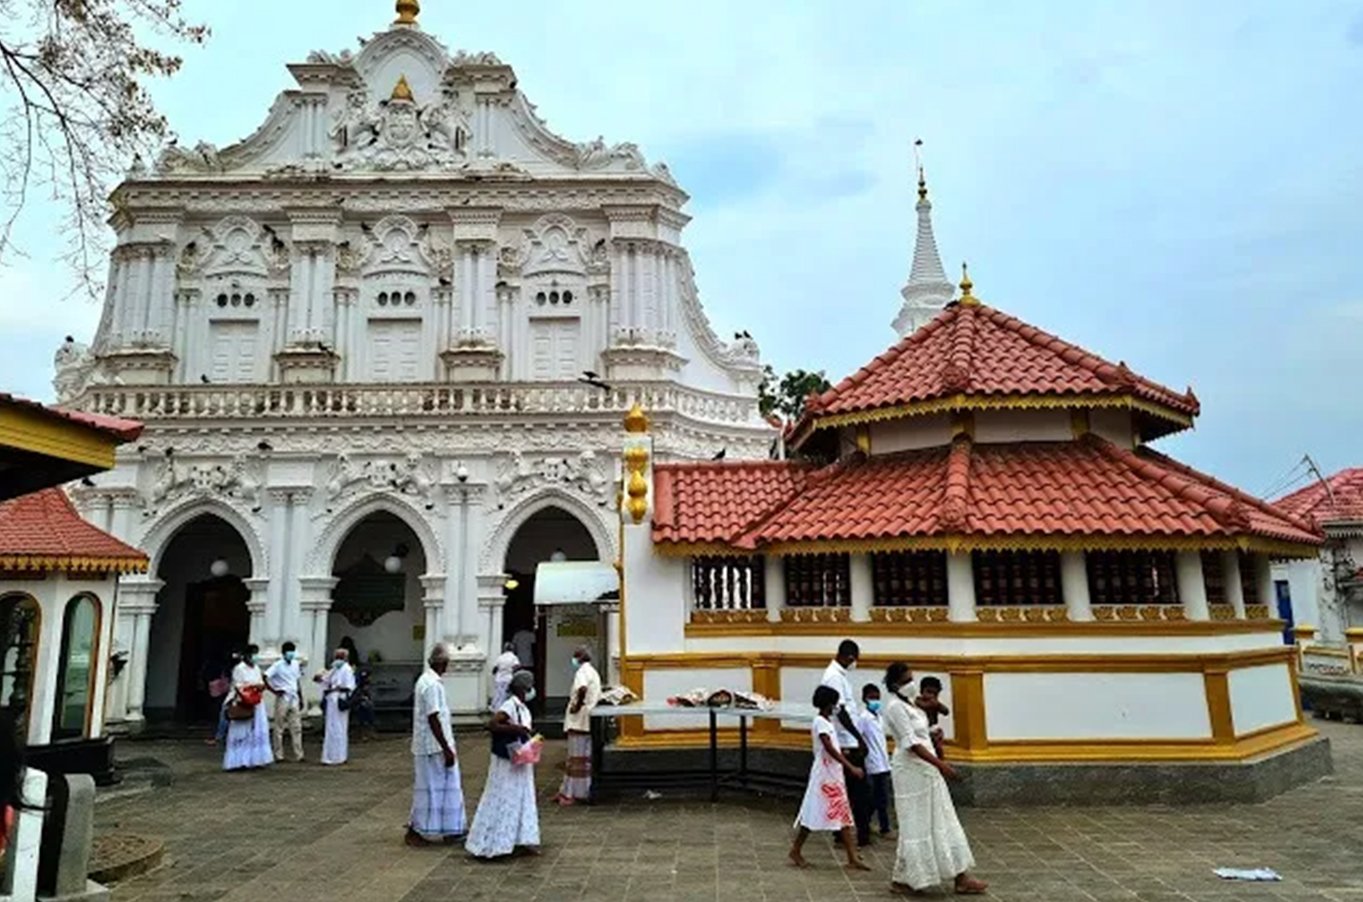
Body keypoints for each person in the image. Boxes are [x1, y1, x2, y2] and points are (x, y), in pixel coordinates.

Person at [882, 662, 986, 895]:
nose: (912, 684)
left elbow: (920, 733)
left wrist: (932, 734)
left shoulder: (910, 704)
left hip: (927, 769)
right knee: (915, 822)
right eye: (907, 680)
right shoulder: (895, 708)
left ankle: (960, 875)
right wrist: (942, 765)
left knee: (942, 818)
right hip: (911, 770)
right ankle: (908, 877)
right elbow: (910, 743)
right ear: (896, 683)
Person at [788, 685, 869, 871]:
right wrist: (850, 766)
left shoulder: (826, 722)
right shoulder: (821, 723)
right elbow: (829, 748)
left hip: (833, 772)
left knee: (842, 813)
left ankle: (852, 857)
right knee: (816, 812)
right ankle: (796, 849)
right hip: (825, 775)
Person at [465, 669, 540, 859]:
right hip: (508, 761)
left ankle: (521, 838)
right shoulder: (509, 706)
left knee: (521, 796)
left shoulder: (522, 708)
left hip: (521, 759)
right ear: (524, 689)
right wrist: (517, 728)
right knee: (505, 795)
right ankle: (495, 841)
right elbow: (493, 724)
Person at [407, 644, 466, 846]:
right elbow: (433, 717)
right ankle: (419, 828)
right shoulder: (431, 685)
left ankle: (450, 828)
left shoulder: (428, 681)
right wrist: (446, 748)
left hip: (432, 744)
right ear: (442, 663)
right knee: (431, 788)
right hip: (433, 746)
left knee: (441, 787)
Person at [821, 639, 873, 847]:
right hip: (846, 742)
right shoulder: (834, 677)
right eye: (855, 659)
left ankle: (847, 832)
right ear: (848, 657)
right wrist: (859, 738)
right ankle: (857, 833)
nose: (855, 663)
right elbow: (840, 711)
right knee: (858, 791)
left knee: (851, 790)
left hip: (849, 739)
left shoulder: (839, 675)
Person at [553, 645, 601, 806]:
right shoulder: (592, 671)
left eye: (575, 656)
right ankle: (571, 790)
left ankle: (573, 792)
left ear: (580, 657)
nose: (573, 659)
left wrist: (577, 706)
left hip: (579, 718)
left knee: (576, 758)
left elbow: (582, 688)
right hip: (586, 719)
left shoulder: (582, 672)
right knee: (581, 758)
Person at [224, 644, 272, 771]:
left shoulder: (256, 668)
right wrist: (254, 686)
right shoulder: (239, 669)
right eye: (253, 654)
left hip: (256, 701)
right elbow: (238, 686)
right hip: (243, 702)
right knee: (241, 731)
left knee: (256, 731)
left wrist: (260, 686)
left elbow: (261, 682)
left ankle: (255, 759)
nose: (255, 657)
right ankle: (238, 761)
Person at [857, 683, 894, 840]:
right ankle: (875, 826)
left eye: (877, 697)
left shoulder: (879, 717)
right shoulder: (863, 718)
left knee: (882, 797)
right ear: (865, 699)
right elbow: (858, 737)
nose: (875, 701)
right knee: (874, 797)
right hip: (871, 762)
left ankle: (878, 825)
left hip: (883, 762)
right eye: (872, 698)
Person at [265, 641, 305, 763]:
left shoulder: (295, 664)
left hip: (294, 697)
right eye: (289, 651)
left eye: (292, 651)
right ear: (283, 653)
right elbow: (265, 677)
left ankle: (299, 754)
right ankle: (278, 754)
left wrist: (301, 696)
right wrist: (274, 691)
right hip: (283, 697)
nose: (291, 654)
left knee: (297, 727)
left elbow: (297, 681)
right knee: (279, 727)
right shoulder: (277, 665)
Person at [316, 647, 356, 765]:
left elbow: (349, 686)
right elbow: (325, 681)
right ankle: (329, 756)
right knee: (330, 728)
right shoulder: (334, 669)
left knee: (339, 728)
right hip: (331, 701)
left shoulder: (347, 670)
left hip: (339, 700)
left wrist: (336, 688)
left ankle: (339, 756)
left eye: (340, 657)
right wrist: (320, 678)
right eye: (336, 657)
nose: (337, 659)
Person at [916, 676, 950, 760]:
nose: (931, 696)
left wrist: (938, 705)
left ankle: (941, 762)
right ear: (921, 691)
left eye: (935, 694)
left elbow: (946, 712)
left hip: (933, 728)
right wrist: (931, 704)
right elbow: (923, 706)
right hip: (921, 730)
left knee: (938, 748)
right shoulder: (918, 701)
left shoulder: (936, 703)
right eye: (928, 692)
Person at [490, 642, 519, 711]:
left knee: (498, 693)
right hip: (508, 678)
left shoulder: (500, 657)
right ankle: (502, 709)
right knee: (505, 694)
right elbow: (516, 666)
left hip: (499, 678)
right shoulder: (513, 657)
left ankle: (495, 707)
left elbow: (495, 669)